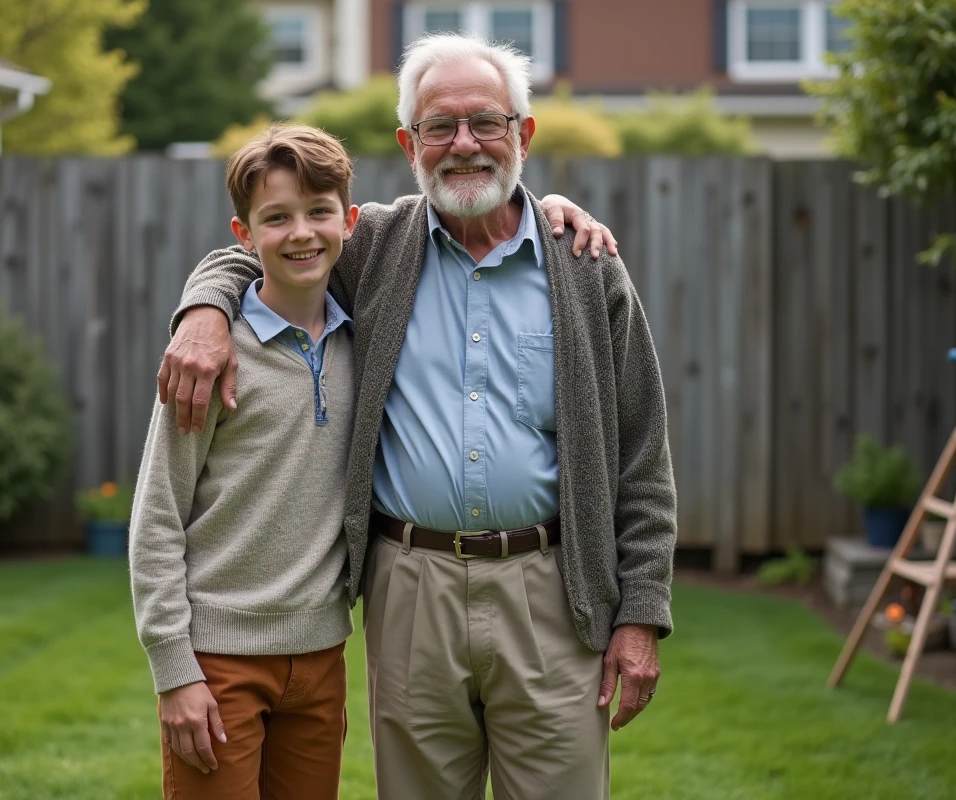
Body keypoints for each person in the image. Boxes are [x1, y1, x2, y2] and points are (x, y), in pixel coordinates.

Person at [162, 33, 676, 799]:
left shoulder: (585, 264)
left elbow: (643, 455)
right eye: (439, 126)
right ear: (409, 145)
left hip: (555, 594)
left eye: (486, 123)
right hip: (410, 590)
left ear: (523, 136)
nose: (463, 145)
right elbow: (265, 243)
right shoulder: (373, 245)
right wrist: (203, 309)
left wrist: (640, 615)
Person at [129, 123, 362, 800]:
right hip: (219, 661)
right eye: (276, 218)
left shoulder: (363, 342)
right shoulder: (207, 360)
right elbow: (157, 517)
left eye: (319, 213)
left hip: (322, 658)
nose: (301, 233)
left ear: (347, 220)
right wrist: (175, 671)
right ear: (243, 233)